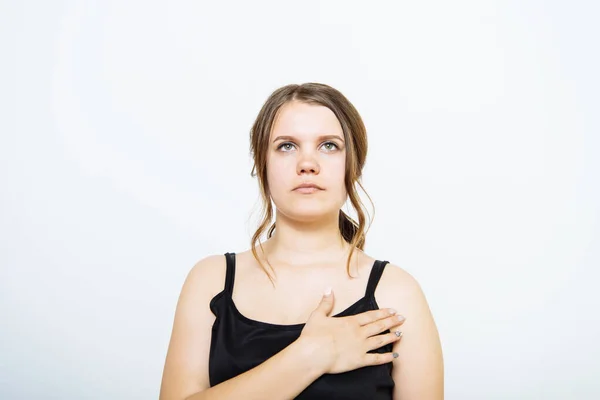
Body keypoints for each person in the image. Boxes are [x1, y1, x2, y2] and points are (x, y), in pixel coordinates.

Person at [159, 83, 444, 399]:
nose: (307, 164)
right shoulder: (210, 280)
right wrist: (310, 356)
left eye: (329, 146)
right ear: (262, 165)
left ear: (355, 165)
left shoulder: (397, 293)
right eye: (286, 146)